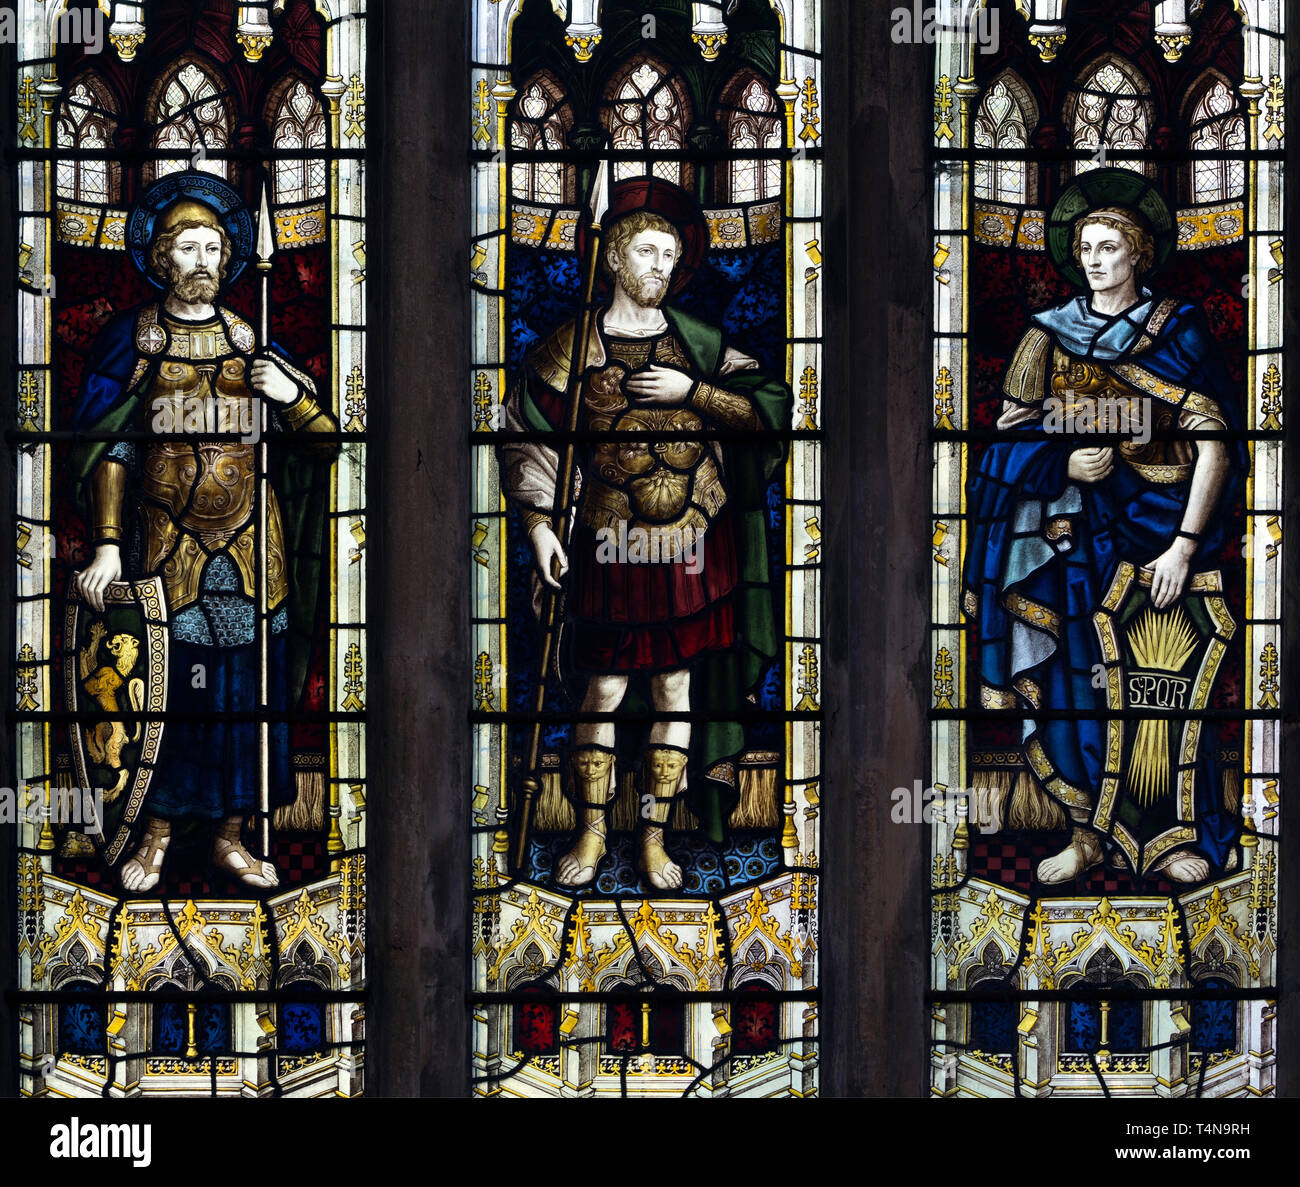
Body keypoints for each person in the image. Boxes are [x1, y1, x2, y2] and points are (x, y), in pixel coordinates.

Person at [499, 180, 791, 890]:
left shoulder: (698, 345)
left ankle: (656, 836)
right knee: (600, 691)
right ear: (612, 260)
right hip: (610, 545)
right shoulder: (570, 349)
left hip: (693, 546)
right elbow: (525, 439)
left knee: (676, 689)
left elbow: (770, 411)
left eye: (670, 255)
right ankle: (594, 830)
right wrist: (539, 525)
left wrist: (693, 393)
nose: (660, 266)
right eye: (647, 253)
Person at [965, 178, 1244, 885]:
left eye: (1109, 246)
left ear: (1140, 253)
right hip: (1077, 536)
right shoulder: (1046, 335)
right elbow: (1001, 454)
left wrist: (1183, 544)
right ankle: (1087, 833)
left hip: (1162, 536)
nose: (1094, 258)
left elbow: (1215, 444)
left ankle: (1177, 835)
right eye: (1085, 247)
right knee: (1079, 685)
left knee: (1166, 688)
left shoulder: (1177, 331)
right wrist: (1065, 461)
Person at [69, 176, 335, 893]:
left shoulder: (253, 340)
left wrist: (293, 396)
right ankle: (154, 835)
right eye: (187, 246)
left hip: (252, 548)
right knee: (175, 691)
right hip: (168, 544)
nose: (202, 259)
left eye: (214, 247)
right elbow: (110, 444)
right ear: (160, 257)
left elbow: (325, 443)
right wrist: (105, 543)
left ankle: (230, 835)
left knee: (247, 694)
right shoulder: (135, 339)